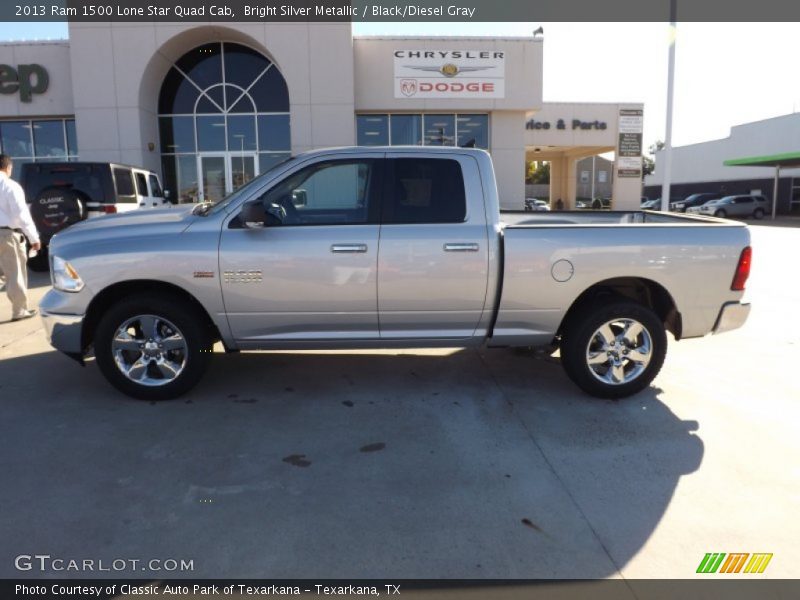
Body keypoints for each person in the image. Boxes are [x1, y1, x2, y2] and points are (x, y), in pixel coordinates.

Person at [0, 154, 40, 321]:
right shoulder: (10, 186)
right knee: (15, 273)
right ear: (8, 168)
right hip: (8, 235)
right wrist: (34, 238)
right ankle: (19, 311)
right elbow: (21, 215)